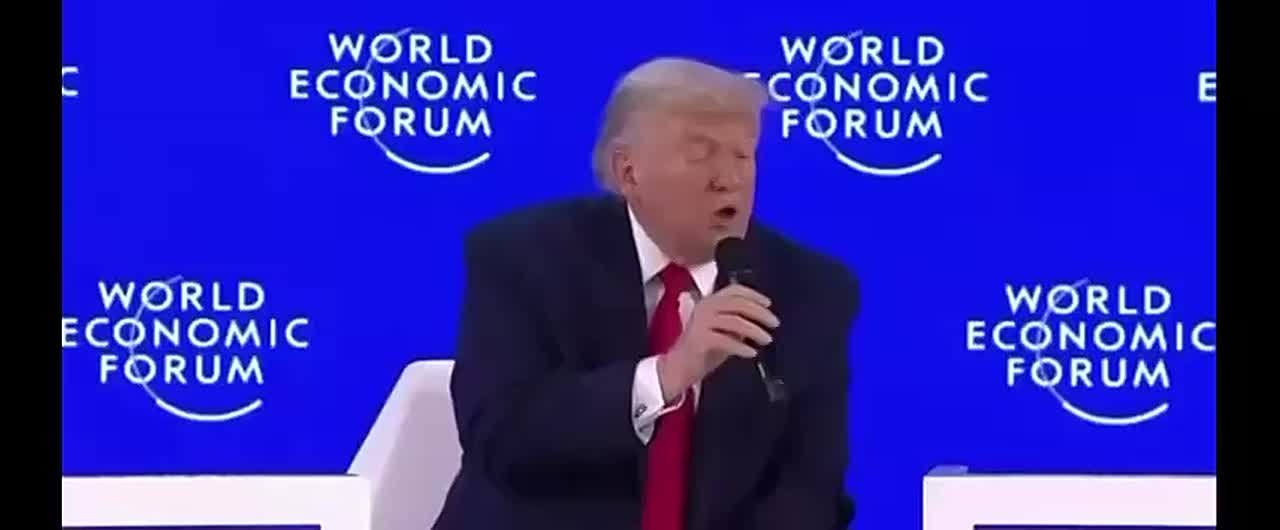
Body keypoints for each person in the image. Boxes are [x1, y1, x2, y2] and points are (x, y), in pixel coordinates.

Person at [433, 57, 861, 530]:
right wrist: (668, 374)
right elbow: (504, 438)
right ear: (628, 171)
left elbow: (810, 486)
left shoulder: (810, 289)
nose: (729, 179)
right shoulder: (524, 258)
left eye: (743, 155)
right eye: (700, 153)